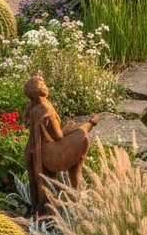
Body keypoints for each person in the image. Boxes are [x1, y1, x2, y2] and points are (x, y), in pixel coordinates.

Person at [23, 75, 97, 218]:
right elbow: (58, 136)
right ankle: (92, 122)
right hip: (50, 153)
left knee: (77, 133)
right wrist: (80, 126)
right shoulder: (46, 111)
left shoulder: (33, 107)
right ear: (43, 91)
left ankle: (47, 209)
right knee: (82, 135)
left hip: (35, 151)